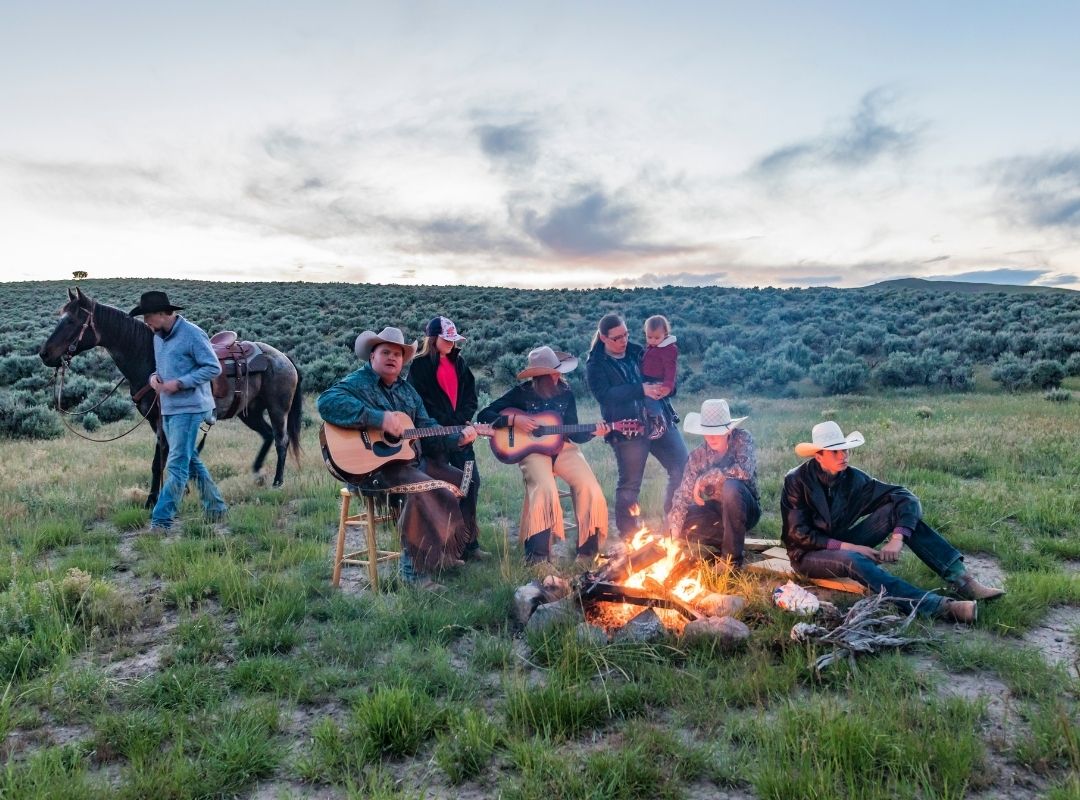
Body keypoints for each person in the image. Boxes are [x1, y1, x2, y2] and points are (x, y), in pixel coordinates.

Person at [781, 420, 1005, 623]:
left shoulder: (853, 478)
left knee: (903, 514)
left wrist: (898, 537)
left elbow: (906, 497)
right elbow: (797, 534)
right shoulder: (796, 481)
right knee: (853, 560)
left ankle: (962, 579)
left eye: (846, 449)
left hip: (841, 540)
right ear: (818, 456)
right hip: (807, 554)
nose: (844, 456)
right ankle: (939, 607)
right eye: (835, 452)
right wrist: (854, 548)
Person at [318, 327, 477, 589]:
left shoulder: (407, 392)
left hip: (406, 462)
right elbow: (326, 402)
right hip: (372, 470)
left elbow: (427, 426)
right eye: (386, 352)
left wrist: (456, 438)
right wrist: (378, 419)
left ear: (403, 360)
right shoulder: (358, 383)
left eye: (398, 354)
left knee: (461, 480)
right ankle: (413, 573)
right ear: (372, 356)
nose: (392, 357)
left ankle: (441, 554)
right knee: (422, 489)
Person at [477, 346, 609, 565]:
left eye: (558, 371)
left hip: (562, 448)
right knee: (545, 488)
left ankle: (588, 552)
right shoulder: (522, 392)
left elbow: (574, 430)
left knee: (589, 485)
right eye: (553, 373)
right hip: (533, 451)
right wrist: (513, 420)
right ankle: (537, 559)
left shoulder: (566, 393)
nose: (559, 376)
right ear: (540, 377)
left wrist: (594, 432)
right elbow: (485, 414)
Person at [129, 290, 227, 531]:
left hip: (191, 407)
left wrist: (180, 383)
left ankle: (161, 521)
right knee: (189, 459)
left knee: (176, 464)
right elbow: (161, 368)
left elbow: (213, 367)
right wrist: (154, 378)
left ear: (164, 313)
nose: (146, 322)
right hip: (170, 408)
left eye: (149, 316)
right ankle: (216, 507)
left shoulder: (192, 334)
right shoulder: (157, 336)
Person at [586, 312, 689, 537]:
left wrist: (667, 386)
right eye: (617, 338)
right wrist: (640, 389)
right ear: (603, 338)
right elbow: (605, 395)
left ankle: (673, 526)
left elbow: (663, 373)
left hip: (659, 420)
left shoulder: (636, 350)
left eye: (626, 334)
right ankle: (630, 539)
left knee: (682, 467)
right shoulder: (596, 365)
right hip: (628, 429)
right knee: (630, 486)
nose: (624, 340)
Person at [406, 316, 490, 561]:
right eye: (447, 339)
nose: (452, 344)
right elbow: (420, 405)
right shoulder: (419, 367)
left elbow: (470, 397)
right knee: (444, 491)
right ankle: (445, 548)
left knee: (471, 483)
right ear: (434, 339)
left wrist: (462, 418)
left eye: (454, 339)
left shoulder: (461, 364)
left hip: (462, 434)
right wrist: (445, 424)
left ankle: (469, 544)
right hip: (435, 439)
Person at [665, 399, 759, 567]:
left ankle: (731, 560)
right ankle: (729, 540)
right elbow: (682, 495)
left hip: (745, 507)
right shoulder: (697, 456)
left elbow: (744, 471)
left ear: (728, 430)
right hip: (715, 511)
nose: (711, 437)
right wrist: (674, 531)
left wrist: (705, 478)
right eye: (707, 431)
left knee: (731, 487)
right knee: (676, 518)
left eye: (717, 431)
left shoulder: (743, 439)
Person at [641, 314, 679, 440]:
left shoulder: (668, 349)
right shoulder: (654, 346)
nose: (652, 340)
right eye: (649, 337)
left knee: (650, 398)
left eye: (656, 337)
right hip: (649, 378)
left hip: (658, 380)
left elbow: (671, 369)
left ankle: (659, 423)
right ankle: (671, 414)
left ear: (665, 334)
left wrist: (668, 385)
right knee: (659, 399)